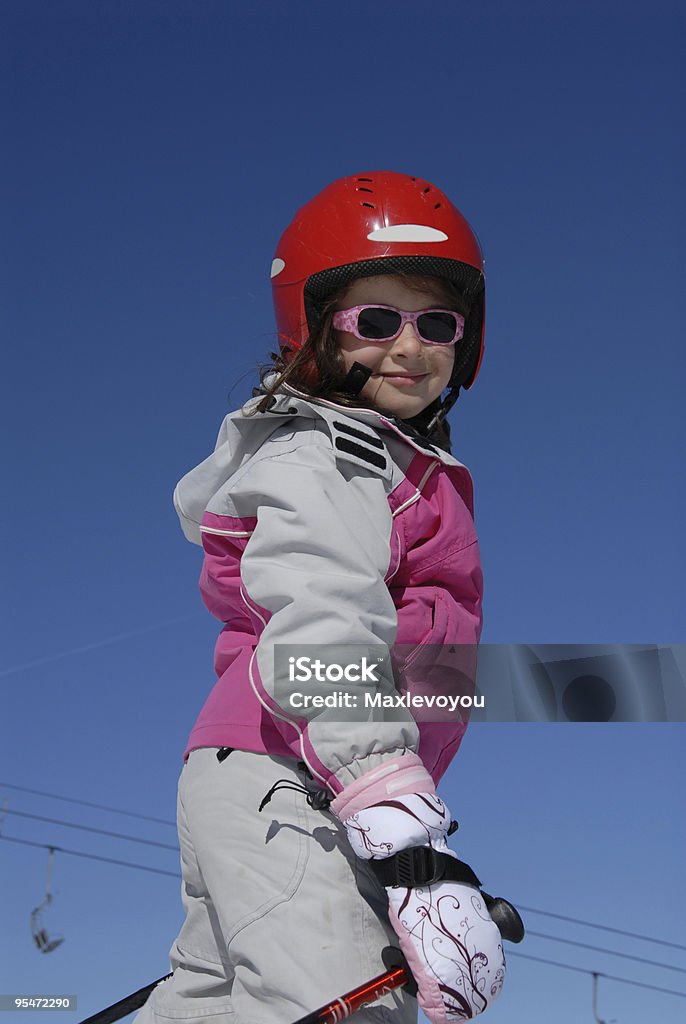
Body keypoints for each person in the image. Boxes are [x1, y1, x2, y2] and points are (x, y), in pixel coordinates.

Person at [134, 171, 506, 1024]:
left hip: (284, 776)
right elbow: (323, 630)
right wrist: (411, 845)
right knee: (352, 1005)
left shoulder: (389, 469)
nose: (409, 347)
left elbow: (422, 661)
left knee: (219, 1008)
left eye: (437, 323)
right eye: (376, 321)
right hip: (297, 776)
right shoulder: (333, 459)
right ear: (315, 333)